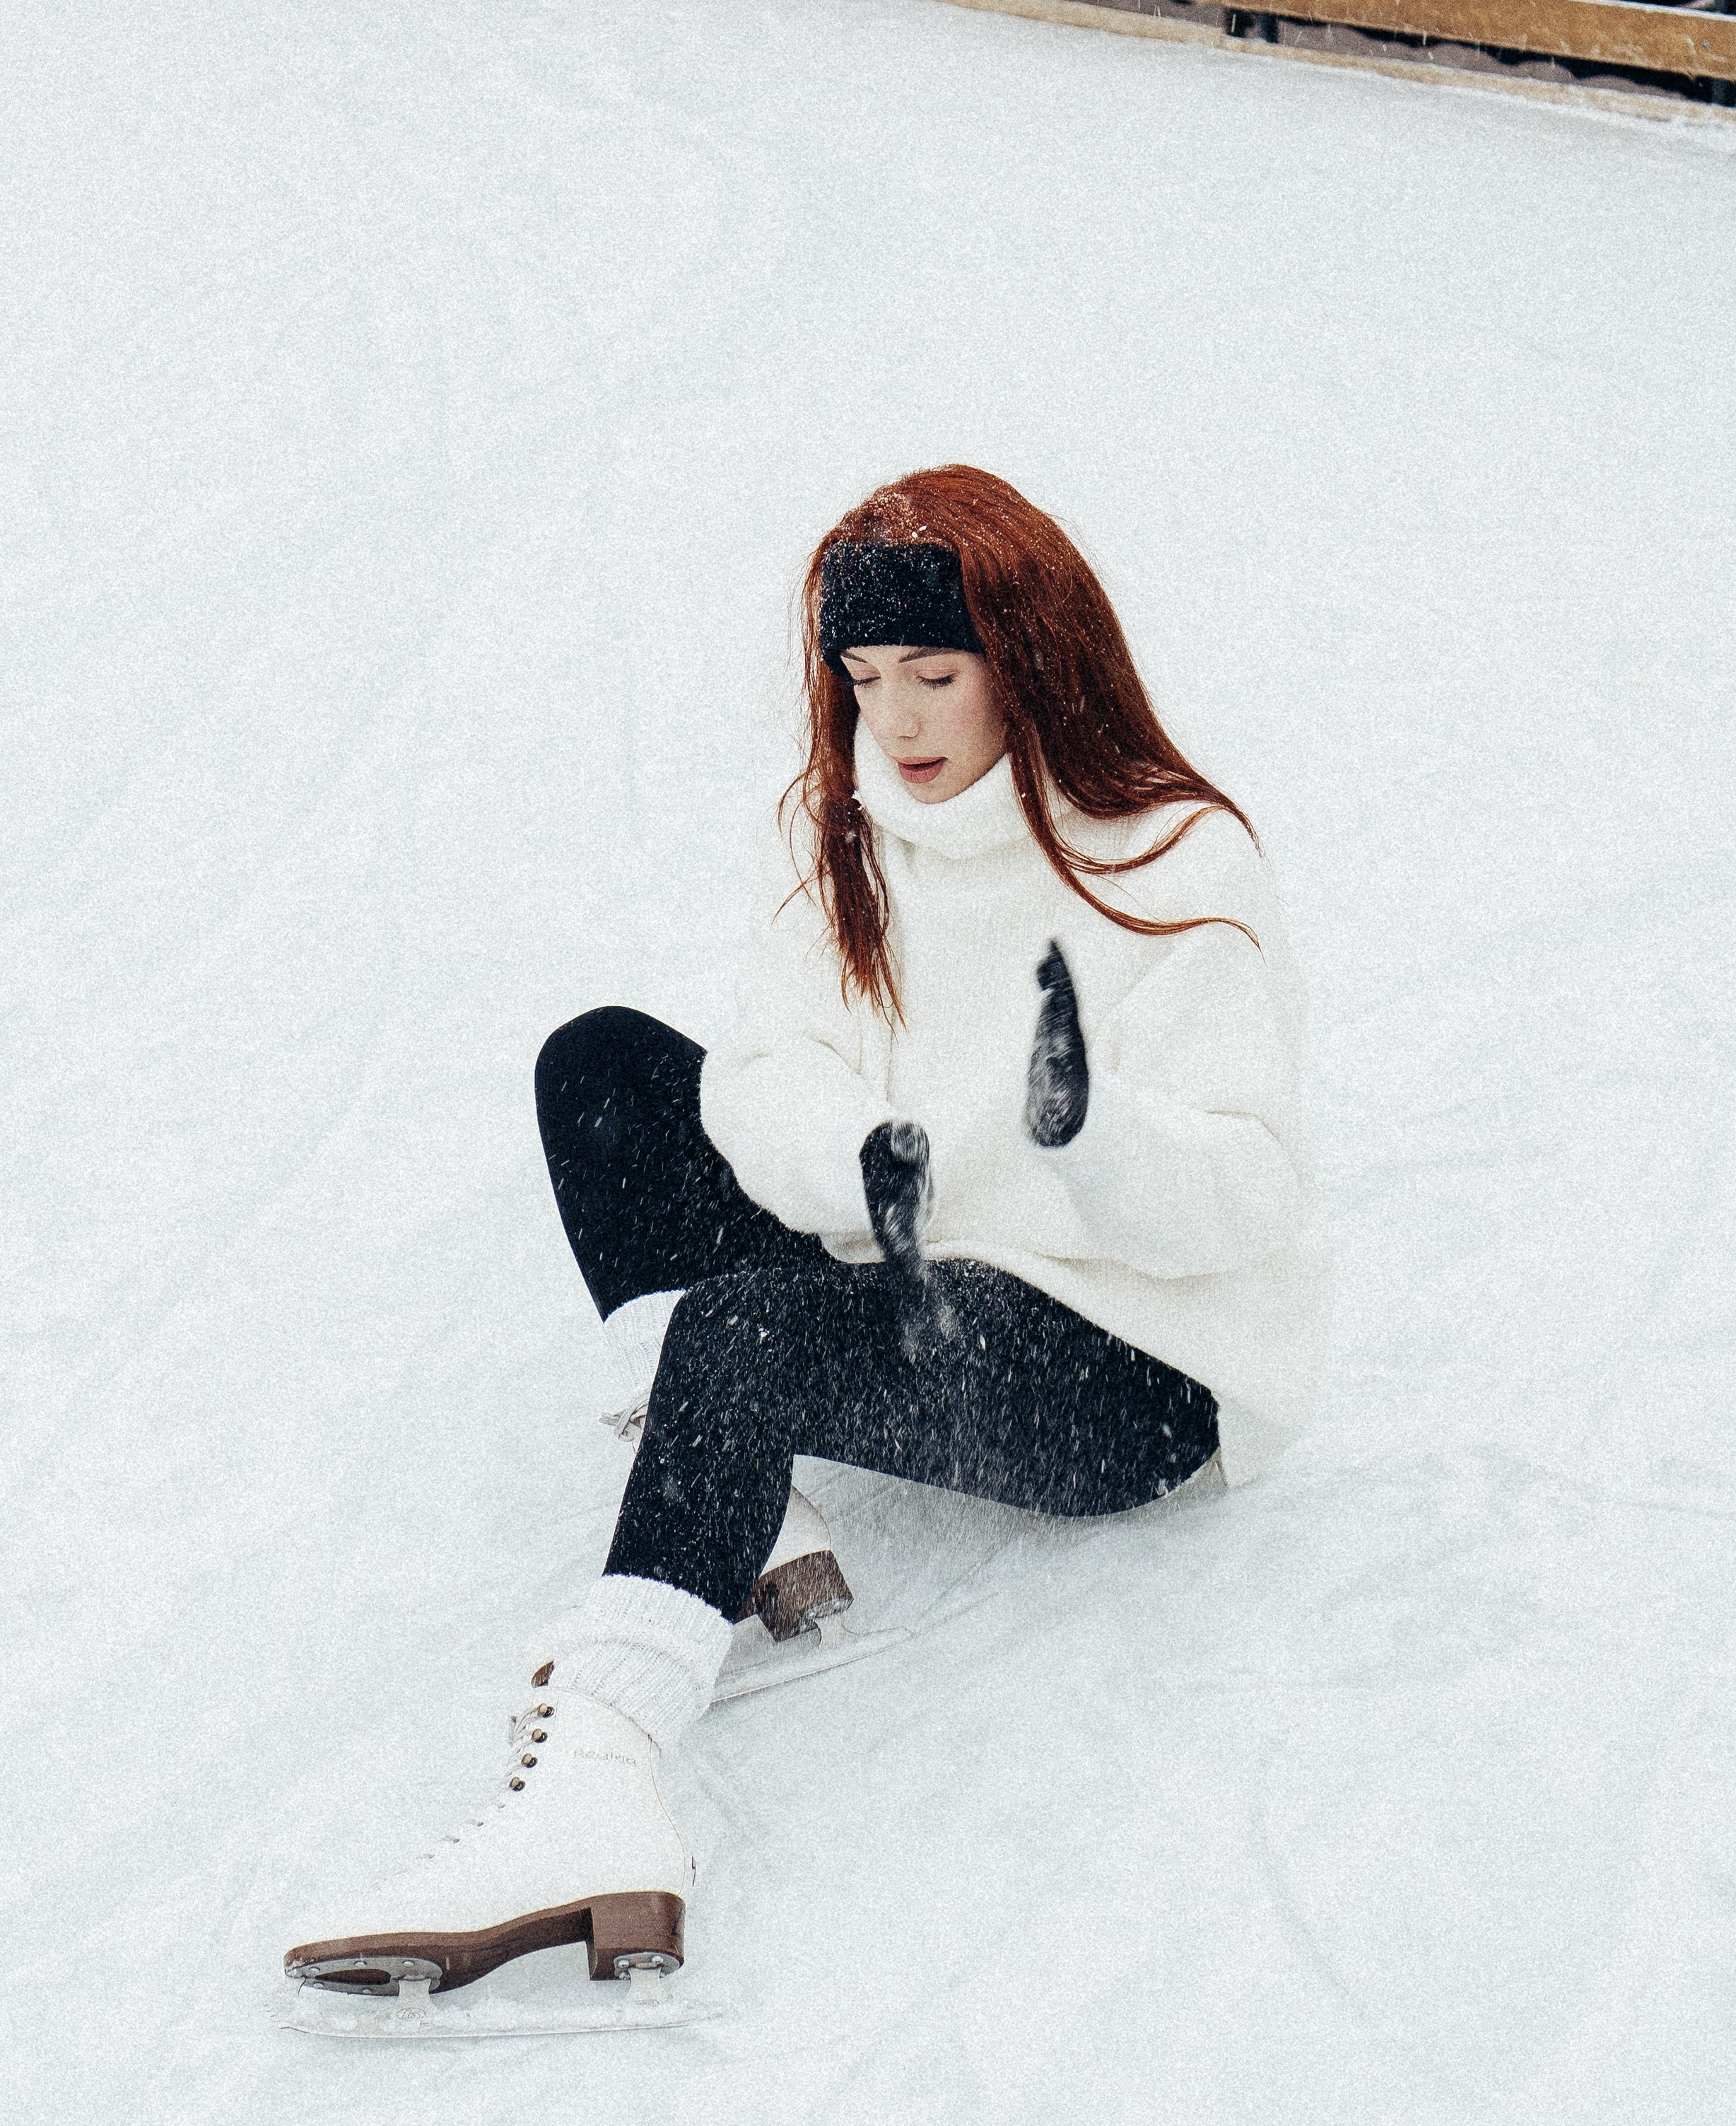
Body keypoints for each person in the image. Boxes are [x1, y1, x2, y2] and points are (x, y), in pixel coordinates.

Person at [283, 465, 1322, 2004]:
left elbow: (1250, 1194)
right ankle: (744, 1507)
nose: (893, 720)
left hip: (1124, 1366)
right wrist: (865, 1161)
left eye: (934, 674)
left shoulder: (1168, 857)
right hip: (907, 1268)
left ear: (1030, 660)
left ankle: (598, 1792)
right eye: (861, 677)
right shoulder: (850, 834)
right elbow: (767, 1072)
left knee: (745, 1333)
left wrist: (1093, 1136)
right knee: (605, 1069)